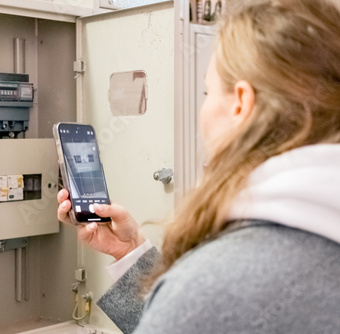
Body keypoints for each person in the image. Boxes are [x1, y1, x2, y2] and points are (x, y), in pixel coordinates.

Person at [57, 0, 340, 333]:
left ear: (241, 105)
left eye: (208, 91)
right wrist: (129, 252)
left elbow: (202, 313)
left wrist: (186, 287)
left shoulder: (216, 286)